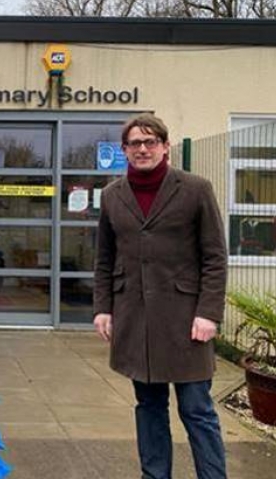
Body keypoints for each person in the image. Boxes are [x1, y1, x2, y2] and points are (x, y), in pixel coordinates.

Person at [93, 113, 228, 479]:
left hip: (186, 321)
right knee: (149, 408)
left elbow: (215, 256)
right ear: (124, 151)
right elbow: (105, 257)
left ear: (165, 147)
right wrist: (103, 308)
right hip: (136, 321)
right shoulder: (111, 196)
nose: (143, 149)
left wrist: (209, 313)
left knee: (196, 409)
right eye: (135, 143)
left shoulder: (196, 189)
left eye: (150, 141)